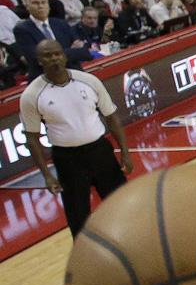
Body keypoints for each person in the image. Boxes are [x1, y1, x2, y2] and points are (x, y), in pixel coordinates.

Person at [20, 39, 131, 236]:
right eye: (47, 56)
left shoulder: (88, 81)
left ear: (64, 56)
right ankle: (84, 254)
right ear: (39, 61)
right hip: (68, 160)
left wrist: (125, 152)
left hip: (100, 151)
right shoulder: (31, 95)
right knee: (78, 216)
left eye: (57, 54)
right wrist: (47, 175)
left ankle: (133, 244)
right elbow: (32, 139)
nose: (54, 58)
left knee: (122, 204)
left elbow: (111, 117)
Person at [14, 0, 90, 75]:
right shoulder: (22, 30)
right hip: (46, 77)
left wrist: (53, 56)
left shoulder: (61, 23)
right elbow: (38, 60)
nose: (40, 6)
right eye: (35, 3)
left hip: (74, 73)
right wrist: (72, 51)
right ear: (27, 6)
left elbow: (84, 52)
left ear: (48, 5)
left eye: (43, 2)